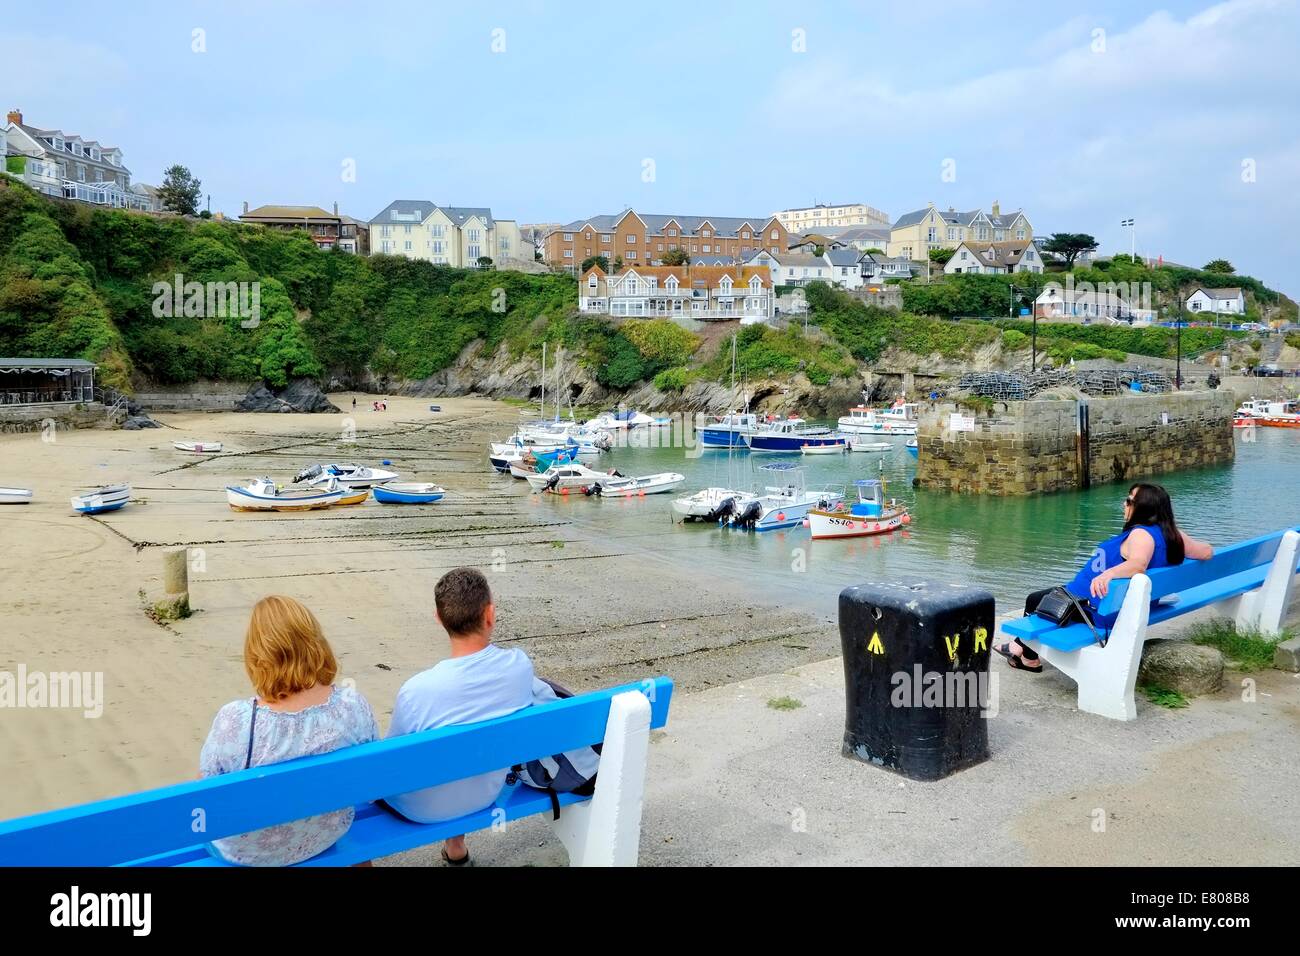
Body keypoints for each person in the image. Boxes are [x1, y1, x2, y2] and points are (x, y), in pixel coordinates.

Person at [199, 596, 379, 865]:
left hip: (251, 853)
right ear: (316, 644)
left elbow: (206, 799)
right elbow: (371, 776)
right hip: (327, 832)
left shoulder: (237, 719)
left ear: (257, 655)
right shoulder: (352, 705)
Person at [384, 567, 534, 866]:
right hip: (485, 792)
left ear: (439, 619)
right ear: (489, 614)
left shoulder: (418, 690)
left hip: (420, 808)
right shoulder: (520, 666)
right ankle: (456, 846)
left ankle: (455, 846)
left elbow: (393, 763)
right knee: (469, 756)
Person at [996, 483, 1213, 673]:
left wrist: (1108, 573)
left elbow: (1139, 564)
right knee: (1044, 596)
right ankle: (1018, 649)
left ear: (1144, 508)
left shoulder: (1141, 535)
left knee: (1035, 599)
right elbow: (1206, 552)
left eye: (1129, 501)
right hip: (1117, 605)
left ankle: (1027, 656)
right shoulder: (1173, 535)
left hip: (1093, 610)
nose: (1124, 504)